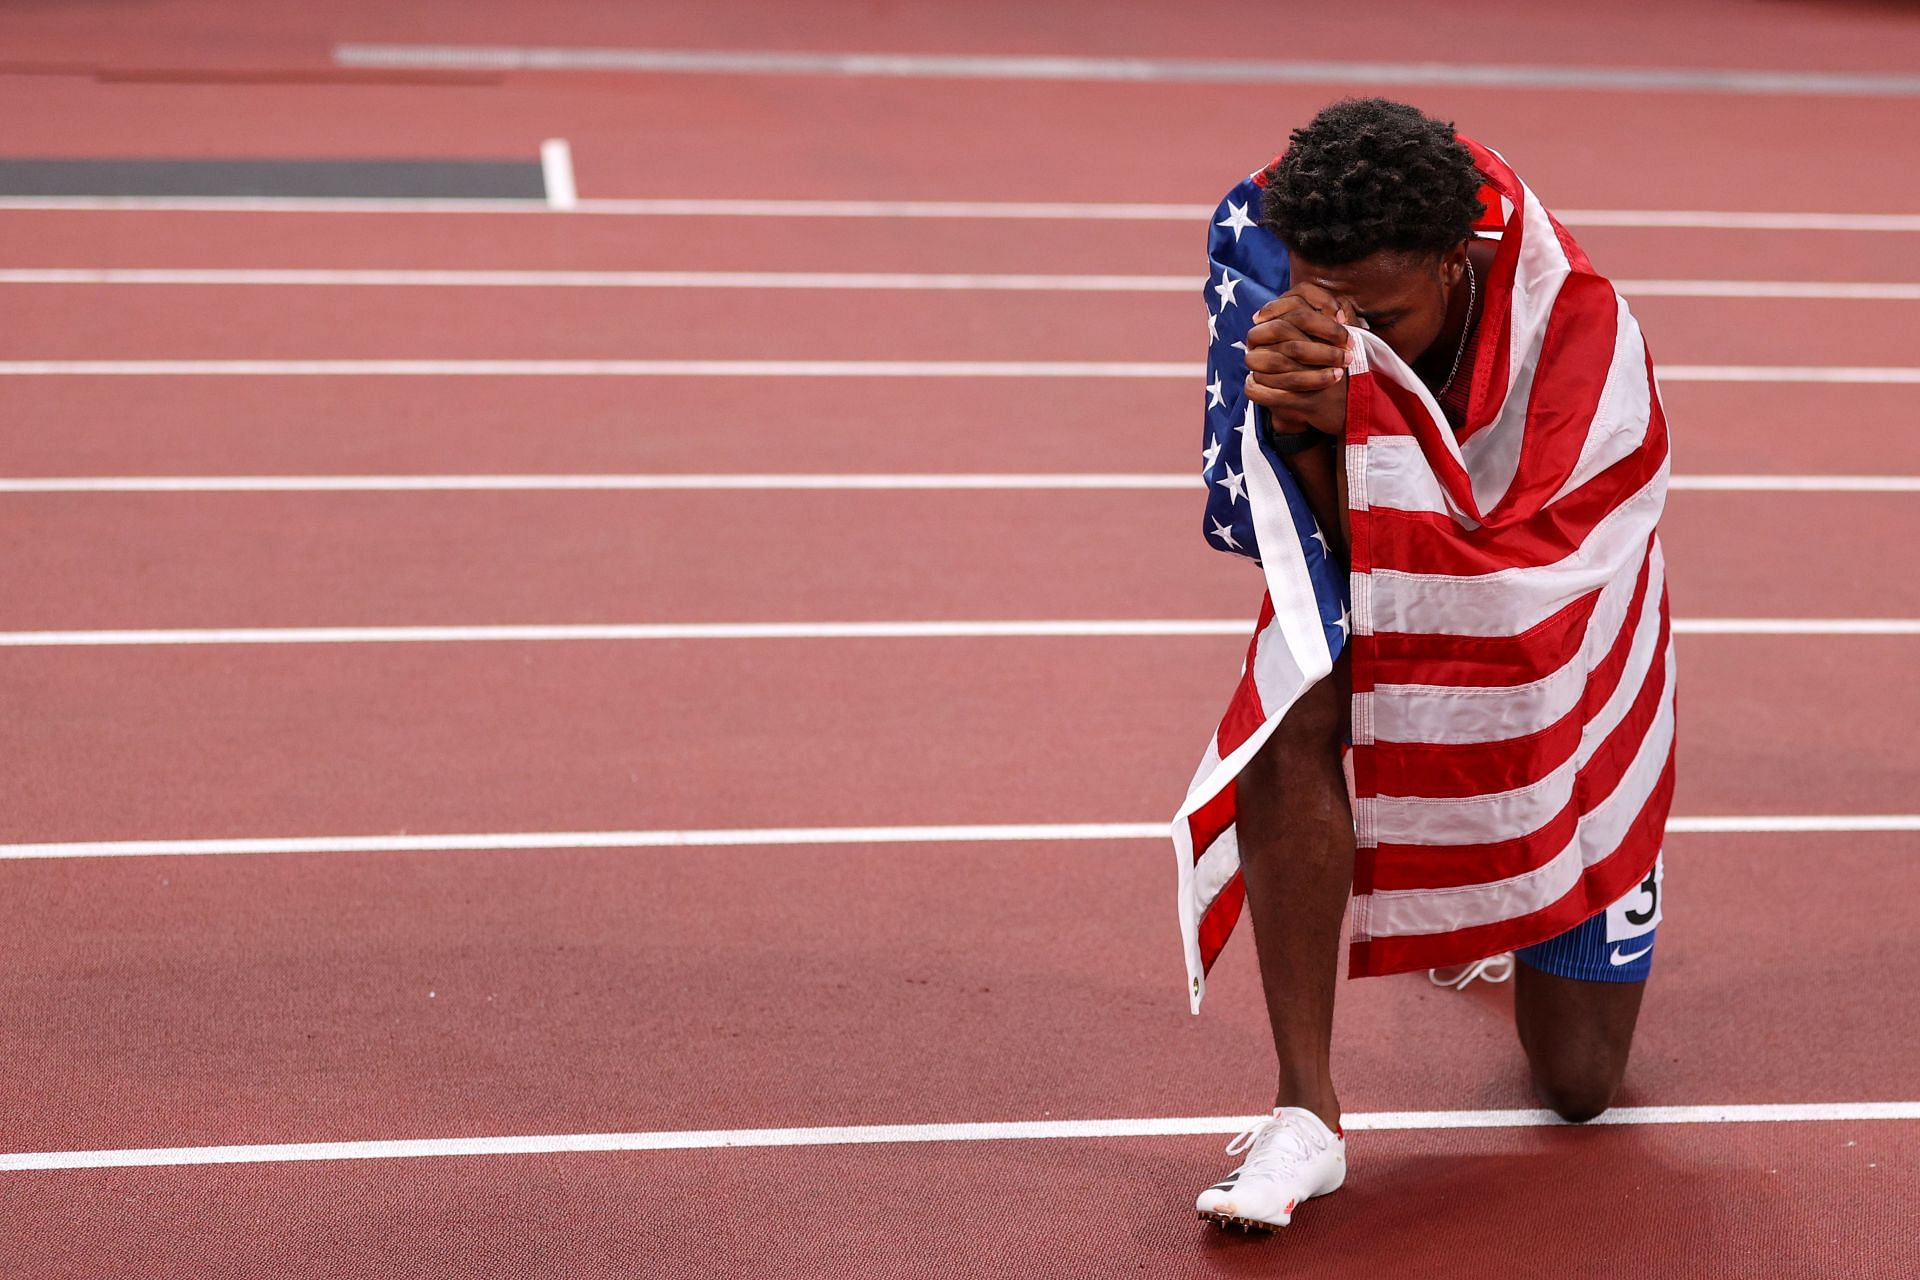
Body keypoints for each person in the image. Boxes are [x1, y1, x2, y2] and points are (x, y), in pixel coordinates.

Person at [1179, 98, 1674, 1232]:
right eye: (1324, 299)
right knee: (1293, 690)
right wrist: (1313, 435)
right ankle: (1306, 1110)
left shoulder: (1578, 336)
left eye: (1380, 316)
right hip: (1405, 579)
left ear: (1458, 264)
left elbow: (1510, 607)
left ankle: (1561, 857)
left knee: (1580, 1087)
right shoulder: (1267, 259)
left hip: (1564, 639)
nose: (1344, 330)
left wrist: (1356, 413)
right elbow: (1328, 572)